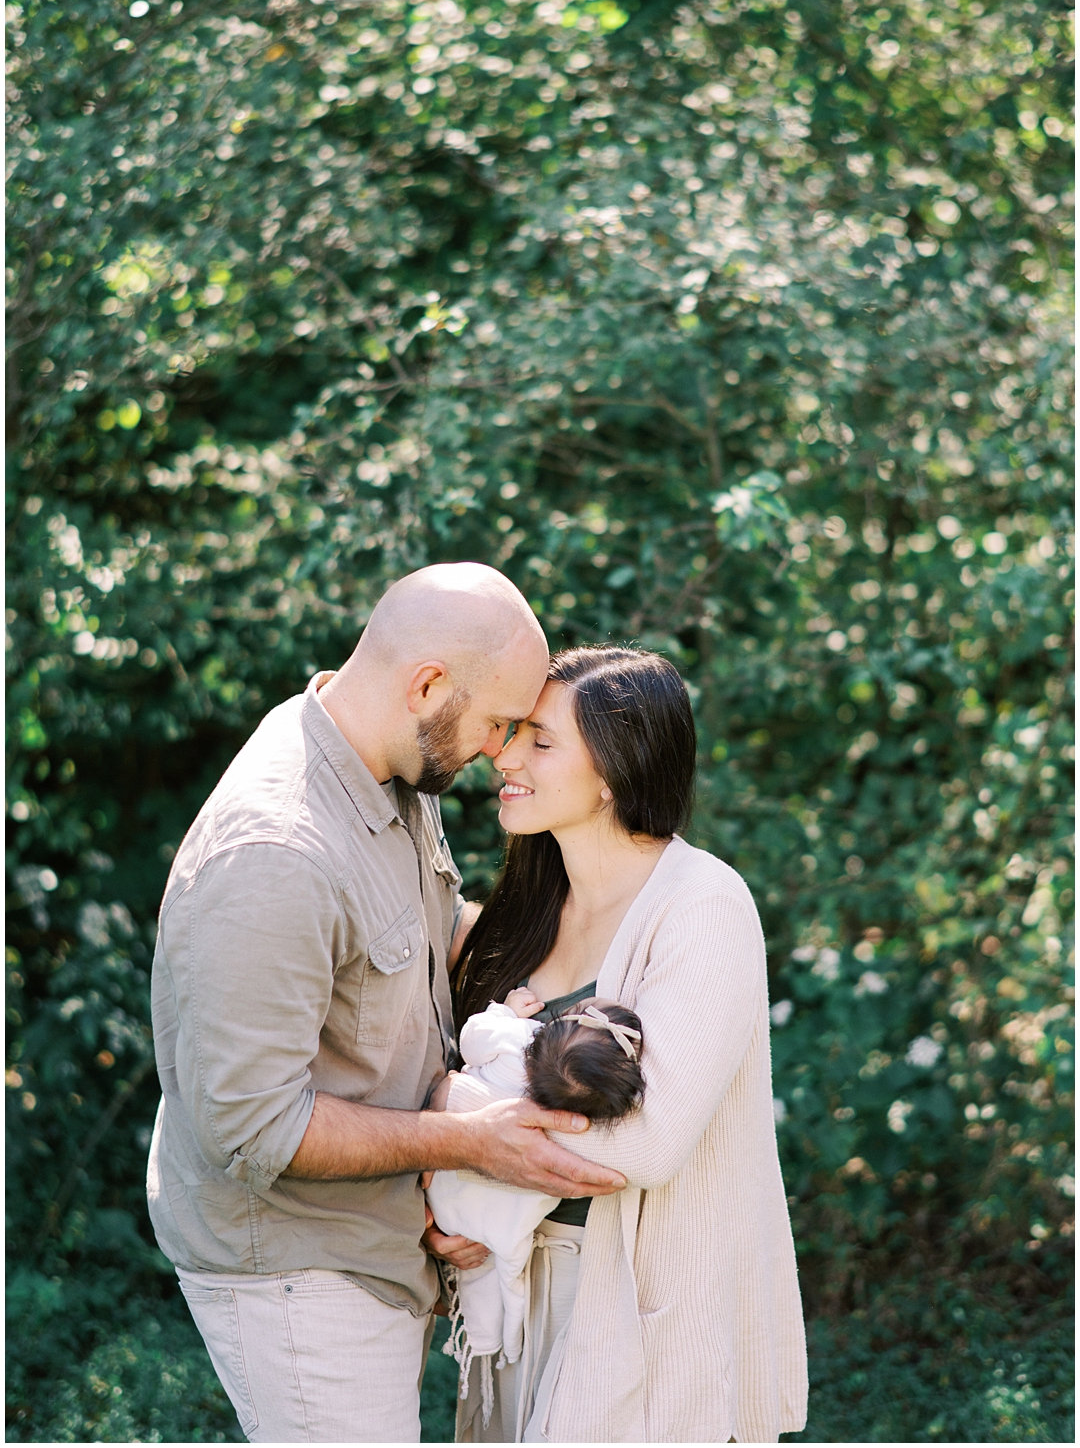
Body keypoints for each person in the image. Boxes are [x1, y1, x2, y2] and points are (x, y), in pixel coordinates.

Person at [145, 565, 626, 1445]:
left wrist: (610, 943)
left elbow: (431, 943)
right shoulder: (275, 853)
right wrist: (472, 1145)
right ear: (428, 686)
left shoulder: (387, 772)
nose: (498, 751)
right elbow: (254, 1129)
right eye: (493, 724)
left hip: (376, 1239)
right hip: (296, 1270)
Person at [450, 645, 808, 1443]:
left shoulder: (704, 906)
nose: (505, 755)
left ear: (614, 770)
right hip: (515, 1274)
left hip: (638, 1299)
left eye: (541, 741)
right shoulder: (529, 906)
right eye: (515, 735)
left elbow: (645, 1146)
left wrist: (462, 1126)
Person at [426, 992, 644, 1411]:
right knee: (505, 1260)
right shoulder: (571, 1117)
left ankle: (490, 1335)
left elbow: (471, 1037)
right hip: (501, 1210)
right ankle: (501, 1339)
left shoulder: (513, 1038)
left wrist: (504, 1013)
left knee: (494, 1253)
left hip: (445, 1182)